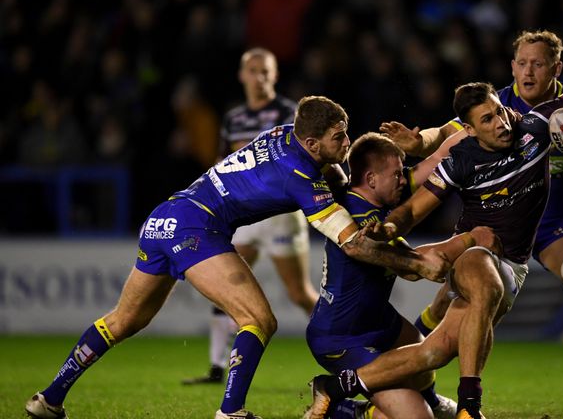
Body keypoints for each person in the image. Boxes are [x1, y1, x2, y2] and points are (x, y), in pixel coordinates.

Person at [24, 96, 449, 419]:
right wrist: (415, 264)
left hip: (164, 218)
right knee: (259, 320)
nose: (347, 141)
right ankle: (230, 413)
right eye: (340, 136)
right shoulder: (300, 174)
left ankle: (50, 398)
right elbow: (352, 244)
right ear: (312, 141)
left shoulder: (287, 135)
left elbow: (331, 176)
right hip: (197, 227)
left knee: (122, 321)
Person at [304, 80, 563, 419]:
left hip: (513, 263)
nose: (500, 123)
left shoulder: (534, 126)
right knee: (483, 278)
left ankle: (338, 391)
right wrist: (415, 232)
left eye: (498, 112)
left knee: (434, 353)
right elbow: (412, 213)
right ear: (469, 129)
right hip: (472, 258)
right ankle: (470, 405)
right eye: (487, 120)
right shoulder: (459, 162)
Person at [381, 30, 563, 412]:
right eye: (521, 63)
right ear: (512, 67)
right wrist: (418, 142)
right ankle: (401, 373)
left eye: (538, 64)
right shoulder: (496, 107)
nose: (528, 71)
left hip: (559, 223)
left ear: (557, 68)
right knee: (445, 310)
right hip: (498, 225)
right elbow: (447, 133)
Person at [307, 132, 493, 419]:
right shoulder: (365, 221)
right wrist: (470, 239)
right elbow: (415, 267)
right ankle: (343, 408)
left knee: (423, 355)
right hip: (342, 338)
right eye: (397, 175)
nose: (403, 180)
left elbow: (436, 159)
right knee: (416, 416)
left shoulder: (371, 202)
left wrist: (465, 128)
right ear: (371, 179)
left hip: (378, 320)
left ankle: (429, 400)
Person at [182, 48, 320, 385]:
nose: (259, 77)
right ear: (242, 75)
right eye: (253, 71)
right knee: (225, 284)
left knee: (299, 293)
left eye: (265, 71)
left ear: (274, 75)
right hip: (244, 215)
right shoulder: (233, 119)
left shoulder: (291, 113)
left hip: (281, 214)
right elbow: (221, 164)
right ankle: (217, 366)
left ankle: (344, 338)